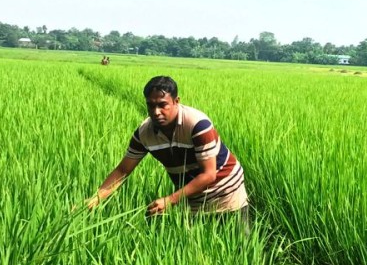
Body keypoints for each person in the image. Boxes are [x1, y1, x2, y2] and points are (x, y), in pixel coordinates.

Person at [85, 76, 249, 220]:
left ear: (176, 101)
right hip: (191, 195)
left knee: (241, 244)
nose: (156, 112)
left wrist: (170, 200)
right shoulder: (144, 134)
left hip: (227, 190)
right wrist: (96, 199)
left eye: (163, 105)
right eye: (151, 105)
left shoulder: (197, 125)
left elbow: (209, 174)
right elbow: (122, 171)